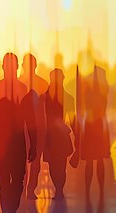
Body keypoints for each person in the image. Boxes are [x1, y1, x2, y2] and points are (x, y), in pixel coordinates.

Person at [0, 53, 37, 213]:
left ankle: (11, 209)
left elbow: (28, 117)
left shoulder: (22, 89)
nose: (10, 69)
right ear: (3, 67)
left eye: (12, 66)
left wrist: (33, 141)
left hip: (17, 139)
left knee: (18, 178)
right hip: (4, 140)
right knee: (4, 180)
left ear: (16, 68)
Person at [19, 53, 49, 200]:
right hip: (24, 128)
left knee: (35, 161)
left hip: (38, 127)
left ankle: (29, 189)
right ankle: (25, 188)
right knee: (25, 161)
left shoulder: (43, 85)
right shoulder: (19, 84)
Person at [43, 69, 75, 200]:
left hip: (60, 136)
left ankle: (59, 189)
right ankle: (58, 189)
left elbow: (72, 119)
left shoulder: (68, 98)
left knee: (61, 165)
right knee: (53, 165)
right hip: (51, 136)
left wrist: (77, 137)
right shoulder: (44, 98)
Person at [79, 66, 110, 201]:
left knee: (93, 161)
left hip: (93, 127)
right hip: (96, 126)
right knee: (97, 160)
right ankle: (98, 190)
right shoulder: (102, 94)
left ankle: (89, 191)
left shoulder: (91, 93)